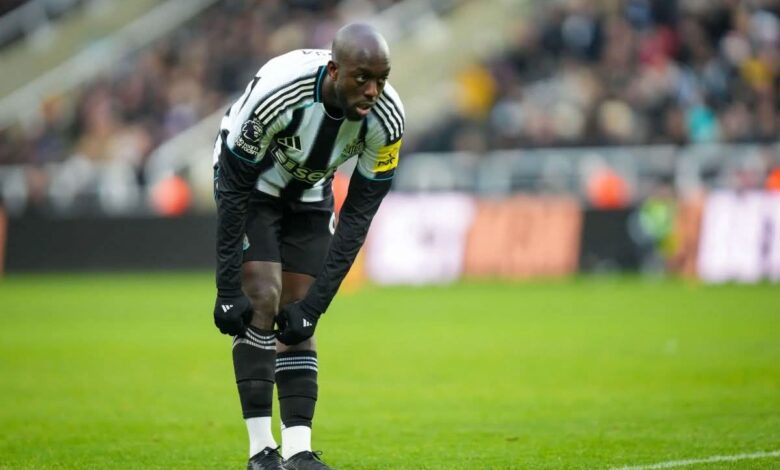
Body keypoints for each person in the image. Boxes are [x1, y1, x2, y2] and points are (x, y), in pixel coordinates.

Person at [211, 23, 404, 470]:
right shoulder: (281, 93)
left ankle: (299, 451)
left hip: (312, 192)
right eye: (362, 78)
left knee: (297, 310)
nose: (373, 90)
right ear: (334, 71)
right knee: (262, 295)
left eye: (382, 79)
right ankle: (261, 451)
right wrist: (227, 289)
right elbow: (234, 186)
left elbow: (358, 217)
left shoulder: (388, 119)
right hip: (252, 185)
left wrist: (315, 306)